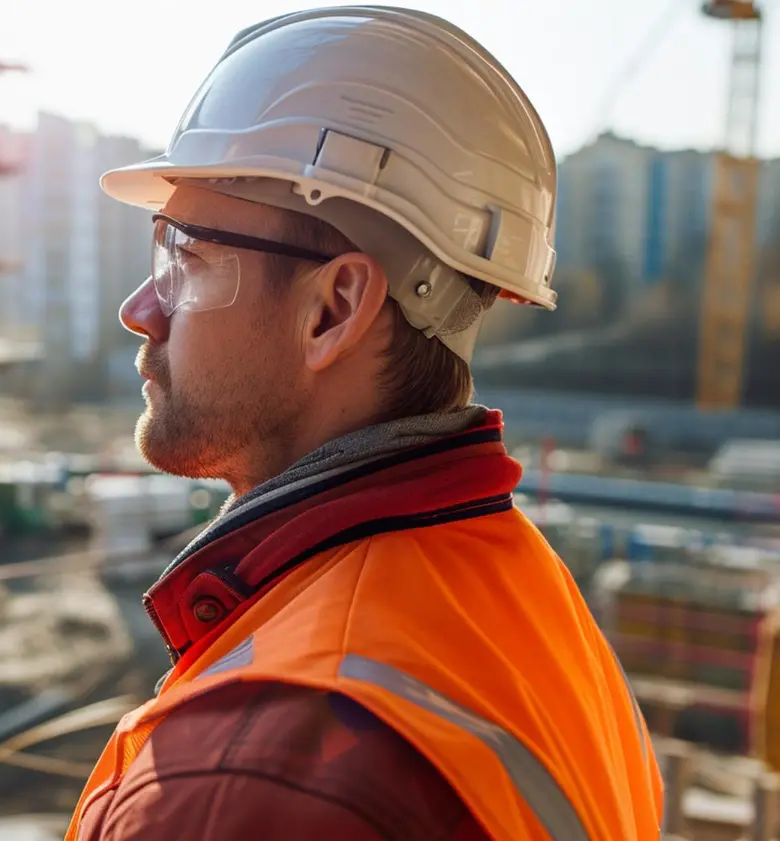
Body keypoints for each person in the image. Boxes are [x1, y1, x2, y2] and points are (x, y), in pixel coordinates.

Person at [65, 8, 664, 841]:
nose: (140, 310)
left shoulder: (240, 787)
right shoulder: (537, 609)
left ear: (333, 310)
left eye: (186, 258)